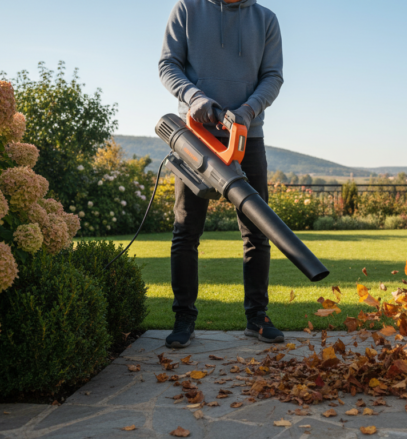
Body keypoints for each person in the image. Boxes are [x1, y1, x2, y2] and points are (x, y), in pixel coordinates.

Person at [158, 0, 284, 348]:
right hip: (195, 135)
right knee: (186, 232)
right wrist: (194, 97)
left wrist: (247, 110)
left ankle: (257, 318)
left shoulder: (266, 19)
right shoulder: (187, 9)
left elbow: (273, 75)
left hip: (247, 135)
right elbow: (168, 64)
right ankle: (184, 318)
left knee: (257, 233)